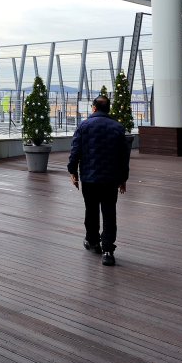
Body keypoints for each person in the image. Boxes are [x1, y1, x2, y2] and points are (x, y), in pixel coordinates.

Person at [67, 94, 130, 266]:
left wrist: (73, 171)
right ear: (108, 109)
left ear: (93, 108)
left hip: (89, 177)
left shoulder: (84, 126)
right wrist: (123, 178)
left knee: (91, 210)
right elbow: (124, 157)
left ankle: (93, 242)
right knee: (109, 213)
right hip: (111, 179)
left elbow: (75, 151)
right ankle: (108, 251)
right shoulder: (118, 128)